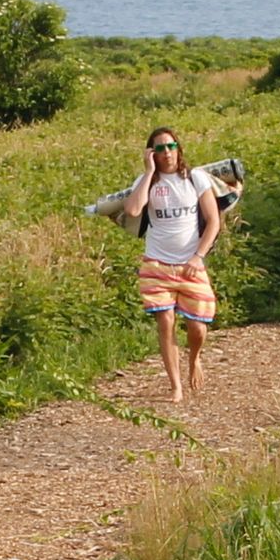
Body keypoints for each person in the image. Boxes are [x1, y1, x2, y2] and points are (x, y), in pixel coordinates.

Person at [89, 129, 239, 403]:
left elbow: (213, 221)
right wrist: (147, 173)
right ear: (152, 153)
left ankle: (194, 358)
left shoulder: (196, 178)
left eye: (171, 146)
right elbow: (133, 210)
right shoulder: (147, 181)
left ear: (179, 149)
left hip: (190, 265)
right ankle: (175, 386)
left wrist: (198, 256)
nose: (167, 152)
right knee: (166, 321)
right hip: (156, 264)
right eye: (160, 148)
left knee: (197, 327)